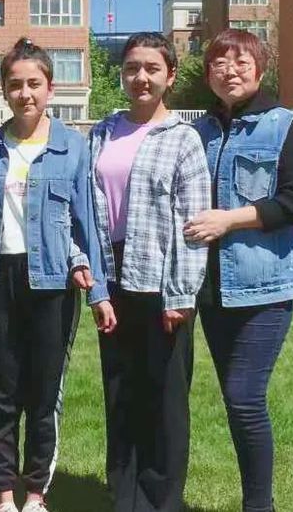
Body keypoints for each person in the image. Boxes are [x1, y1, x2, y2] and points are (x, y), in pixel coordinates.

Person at [0, 38, 115, 512]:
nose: (25, 93)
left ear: (50, 88)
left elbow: (87, 221)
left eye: (34, 83)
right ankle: (4, 494)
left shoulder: (73, 148)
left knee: (44, 392)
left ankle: (35, 492)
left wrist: (98, 290)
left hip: (52, 282)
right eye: (15, 85)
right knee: (0, 392)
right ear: (3, 91)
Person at [185, 29, 293, 512]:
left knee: (244, 397)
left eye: (241, 62)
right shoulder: (199, 132)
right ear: (208, 74)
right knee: (237, 404)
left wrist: (229, 220)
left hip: (265, 287)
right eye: (220, 63)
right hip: (212, 290)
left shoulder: (284, 126)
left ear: (260, 69)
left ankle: (259, 507)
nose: (230, 71)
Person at [89, 32, 211, 512]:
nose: (141, 77)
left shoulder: (183, 139)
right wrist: (96, 283)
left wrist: (180, 295)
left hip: (162, 282)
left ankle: (161, 500)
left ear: (170, 75)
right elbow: (87, 208)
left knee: (164, 400)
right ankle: (124, 496)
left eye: (152, 68)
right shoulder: (103, 132)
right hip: (113, 278)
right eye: (132, 67)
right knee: (120, 393)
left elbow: (193, 225)